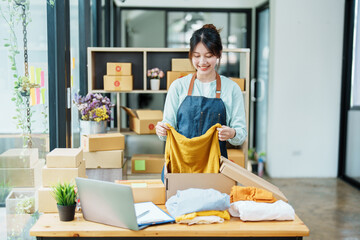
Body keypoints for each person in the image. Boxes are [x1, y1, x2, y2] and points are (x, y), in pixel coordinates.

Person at [156, 24, 247, 159]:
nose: (202, 62)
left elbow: (241, 133)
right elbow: (166, 130)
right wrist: (161, 130)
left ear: (218, 54)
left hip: (215, 164)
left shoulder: (232, 89)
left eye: (208, 55)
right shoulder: (178, 86)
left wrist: (232, 133)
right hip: (182, 163)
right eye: (197, 56)